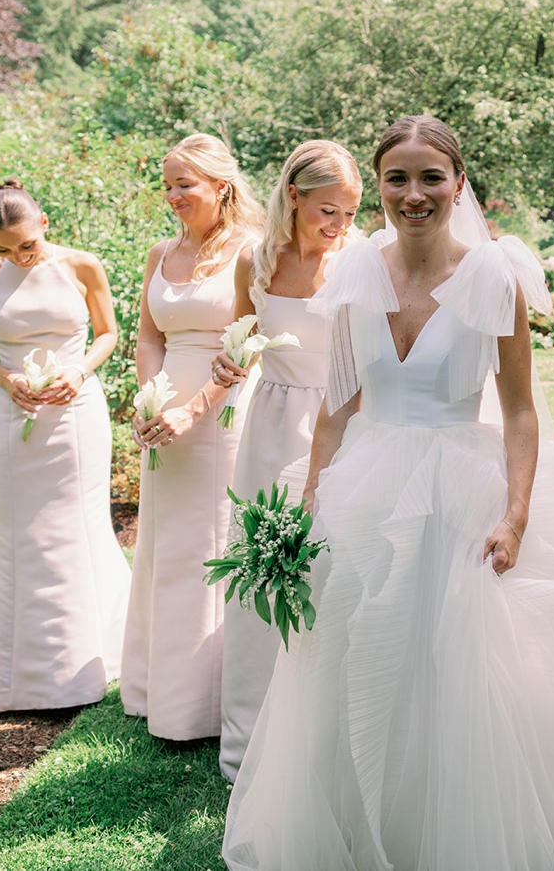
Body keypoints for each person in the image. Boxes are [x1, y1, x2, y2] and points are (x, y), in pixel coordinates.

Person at [222, 115, 554, 871]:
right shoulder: (355, 271)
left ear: (458, 184)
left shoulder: (494, 275)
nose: (414, 194)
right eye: (397, 179)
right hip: (366, 485)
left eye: (430, 178)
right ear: (377, 186)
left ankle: (449, 837)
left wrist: (514, 518)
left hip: (459, 491)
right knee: (353, 659)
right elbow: (337, 407)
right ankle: (358, 829)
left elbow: (517, 410)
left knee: (454, 669)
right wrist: (311, 502)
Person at [211, 140, 362, 780]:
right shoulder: (255, 259)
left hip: (339, 421)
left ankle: (319, 735)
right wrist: (229, 362)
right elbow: (242, 343)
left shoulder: (360, 263)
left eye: (350, 212)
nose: (340, 226)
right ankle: (248, 741)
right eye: (329, 210)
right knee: (258, 570)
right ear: (294, 197)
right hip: (269, 423)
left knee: (327, 571)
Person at [0, 180, 131, 712]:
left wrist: (79, 371)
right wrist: (7, 380)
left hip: (76, 411)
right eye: (3, 250)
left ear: (45, 224)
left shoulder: (82, 265)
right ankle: (18, 667)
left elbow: (109, 334)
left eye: (26, 245)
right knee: (18, 531)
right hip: (11, 412)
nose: (18, 257)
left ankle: (95, 655)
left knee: (77, 523)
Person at [122, 134, 265, 741]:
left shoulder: (250, 252)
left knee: (210, 547)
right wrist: (151, 399)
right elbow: (149, 337)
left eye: (186, 184)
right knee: (168, 547)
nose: (174, 195)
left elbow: (248, 344)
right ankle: (162, 691)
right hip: (166, 417)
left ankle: (209, 705)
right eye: (168, 185)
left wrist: (194, 409)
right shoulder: (160, 253)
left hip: (224, 411)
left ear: (221, 185)